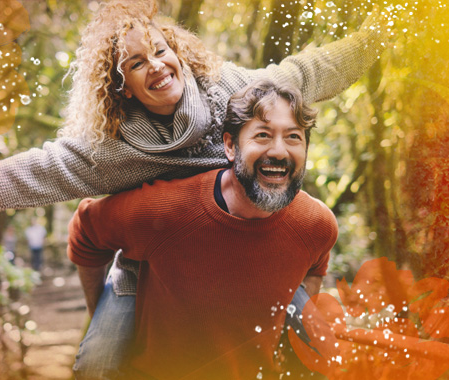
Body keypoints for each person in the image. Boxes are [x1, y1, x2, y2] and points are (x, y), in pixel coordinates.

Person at [0, 0, 390, 375]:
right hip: (150, 258)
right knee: (97, 365)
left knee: (325, 348)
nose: (156, 64)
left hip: (249, 242)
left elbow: (307, 72)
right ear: (122, 86)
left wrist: (379, 36)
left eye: (160, 49)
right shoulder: (110, 149)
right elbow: (36, 170)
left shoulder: (232, 91)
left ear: (178, 51)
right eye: (135, 63)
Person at [68, 78, 339, 379]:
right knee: (93, 367)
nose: (278, 151)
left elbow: (316, 265)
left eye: (293, 137)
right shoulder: (165, 211)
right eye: (262, 135)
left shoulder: (317, 224)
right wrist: (98, 313)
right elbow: (86, 230)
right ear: (230, 146)